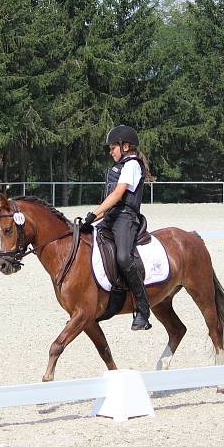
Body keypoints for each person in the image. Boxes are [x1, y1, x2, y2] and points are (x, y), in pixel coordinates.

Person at [82, 125, 152, 331]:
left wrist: (94, 213)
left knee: (122, 256)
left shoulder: (132, 165)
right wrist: (90, 221)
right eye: (110, 148)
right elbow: (110, 202)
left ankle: (143, 308)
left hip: (126, 219)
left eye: (113, 147)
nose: (111, 151)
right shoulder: (118, 168)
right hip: (112, 216)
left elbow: (118, 195)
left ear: (125, 146)